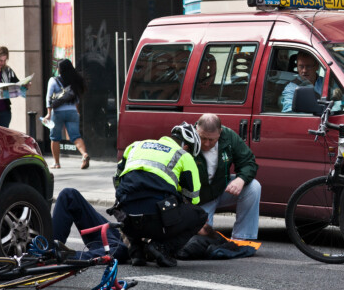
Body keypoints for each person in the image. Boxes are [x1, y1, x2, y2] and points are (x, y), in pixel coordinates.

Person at [112, 122, 207, 267]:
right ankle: (162, 248)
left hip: (125, 220)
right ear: (187, 146)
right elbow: (193, 198)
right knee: (199, 214)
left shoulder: (135, 146)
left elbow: (117, 180)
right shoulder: (183, 155)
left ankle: (136, 251)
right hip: (156, 221)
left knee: (131, 202)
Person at [189, 113, 261, 243]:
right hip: (198, 199)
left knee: (253, 187)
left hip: (220, 188)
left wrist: (241, 179)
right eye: (202, 138)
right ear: (196, 129)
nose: (206, 143)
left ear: (220, 132)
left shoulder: (229, 136)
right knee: (199, 240)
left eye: (211, 140)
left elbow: (249, 162)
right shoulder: (186, 138)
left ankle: (242, 238)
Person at [52, 187, 129, 262]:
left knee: (119, 250)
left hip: (126, 246)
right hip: (120, 231)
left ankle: (63, 256)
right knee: (69, 194)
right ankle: (50, 249)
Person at [43, 59, 90, 169]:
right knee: (76, 136)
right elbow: (77, 99)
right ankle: (84, 154)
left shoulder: (53, 80)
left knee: (55, 138)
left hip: (57, 113)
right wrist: (77, 112)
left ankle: (56, 163)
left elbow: (49, 97)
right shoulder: (74, 80)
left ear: (59, 69)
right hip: (72, 112)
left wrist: (48, 113)